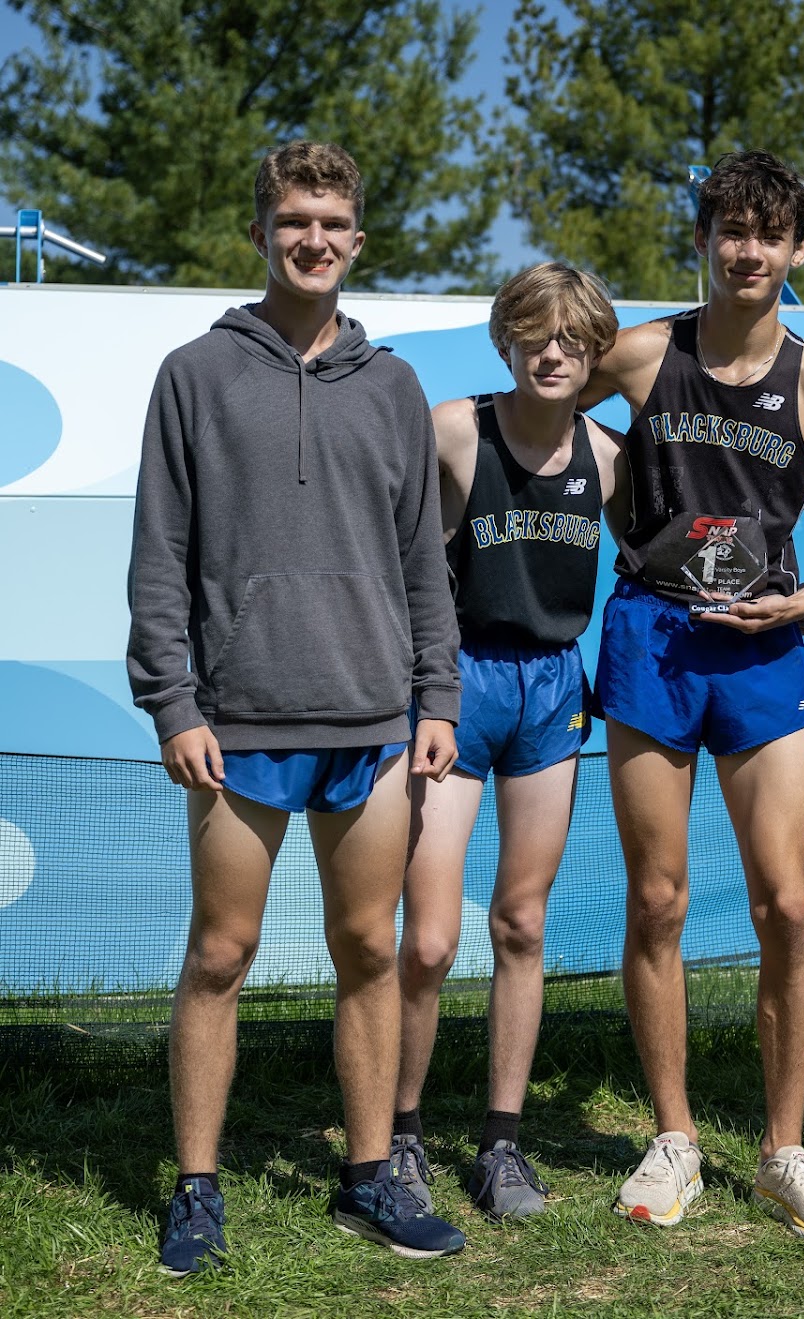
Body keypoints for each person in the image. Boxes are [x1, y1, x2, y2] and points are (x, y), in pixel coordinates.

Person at [127, 141, 466, 1275]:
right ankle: (196, 1190)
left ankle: (370, 1178)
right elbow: (159, 556)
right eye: (292, 221)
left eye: (330, 222)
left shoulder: (394, 387)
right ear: (261, 234)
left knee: (368, 946)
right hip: (238, 724)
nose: (312, 239)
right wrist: (173, 703)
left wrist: (435, 695)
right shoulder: (194, 373)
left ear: (357, 240)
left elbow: (423, 561)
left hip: (375, 724)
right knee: (220, 953)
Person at [578, 149, 804, 1241]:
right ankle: (674, 1138)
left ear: (798, 249)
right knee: (658, 899)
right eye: (732, 231)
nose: (749, 250)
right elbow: (540, 414)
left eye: (770, 234)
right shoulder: (640, 353)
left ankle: (784, 1150)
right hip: (651, 637)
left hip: (763, 647)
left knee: (786, 904)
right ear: (704, 240)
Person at [388, 263, 625, 1222]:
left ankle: (500, 1143)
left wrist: (783, 594)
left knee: (521, 923)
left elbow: (674, 552)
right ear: (506, 341)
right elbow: (390, 548)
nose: (552, 352)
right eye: (535, 334)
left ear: (595, 351)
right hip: (455, 687)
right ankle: (398, 1134)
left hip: (552, 691)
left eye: (572, 338)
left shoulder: (609, 456)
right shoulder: (456, 429)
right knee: (430, 939)